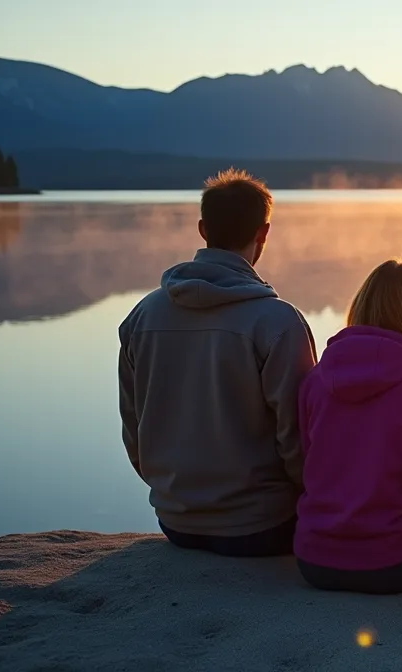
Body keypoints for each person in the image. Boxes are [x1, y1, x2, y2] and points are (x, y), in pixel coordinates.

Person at [118, 169, 317, 557]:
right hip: (263, 526)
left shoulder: (142, 316)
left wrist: (173, 491)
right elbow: (297, 436)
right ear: (263, 233)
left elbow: (133, 425)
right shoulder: (277, 322)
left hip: (176, 522)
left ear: (203, 229)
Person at [294, 260, 402, 594]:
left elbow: (307, 464)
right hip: (397, 561)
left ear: (361, 307)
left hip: (315, 560)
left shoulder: (315, 380)